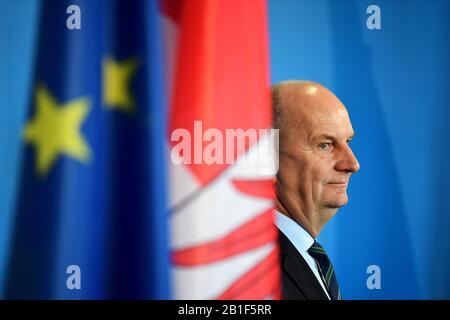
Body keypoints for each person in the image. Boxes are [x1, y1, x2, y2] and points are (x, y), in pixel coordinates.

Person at [272, 80, 360, 300]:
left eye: (348, 141)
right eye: (325, 145)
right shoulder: (251, 269)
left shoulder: (308, 256)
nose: (352, 164)